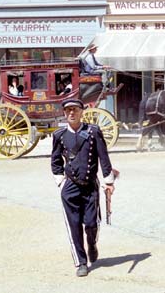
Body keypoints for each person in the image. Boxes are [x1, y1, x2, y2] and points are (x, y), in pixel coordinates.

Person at [51, 98, 117, 277]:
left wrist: (109, 181)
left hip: (90, 186)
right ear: (64, 113)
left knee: (91, 224)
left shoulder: (93, 131)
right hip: (70, 187)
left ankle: (92, 244)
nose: (71, 113)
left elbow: (103, 157)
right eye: (68, 110)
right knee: (73, 225)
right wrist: (61, 181)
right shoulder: (59, 135)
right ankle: (81, 262)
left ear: (81, 112)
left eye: (75, 110)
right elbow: (55, 161)